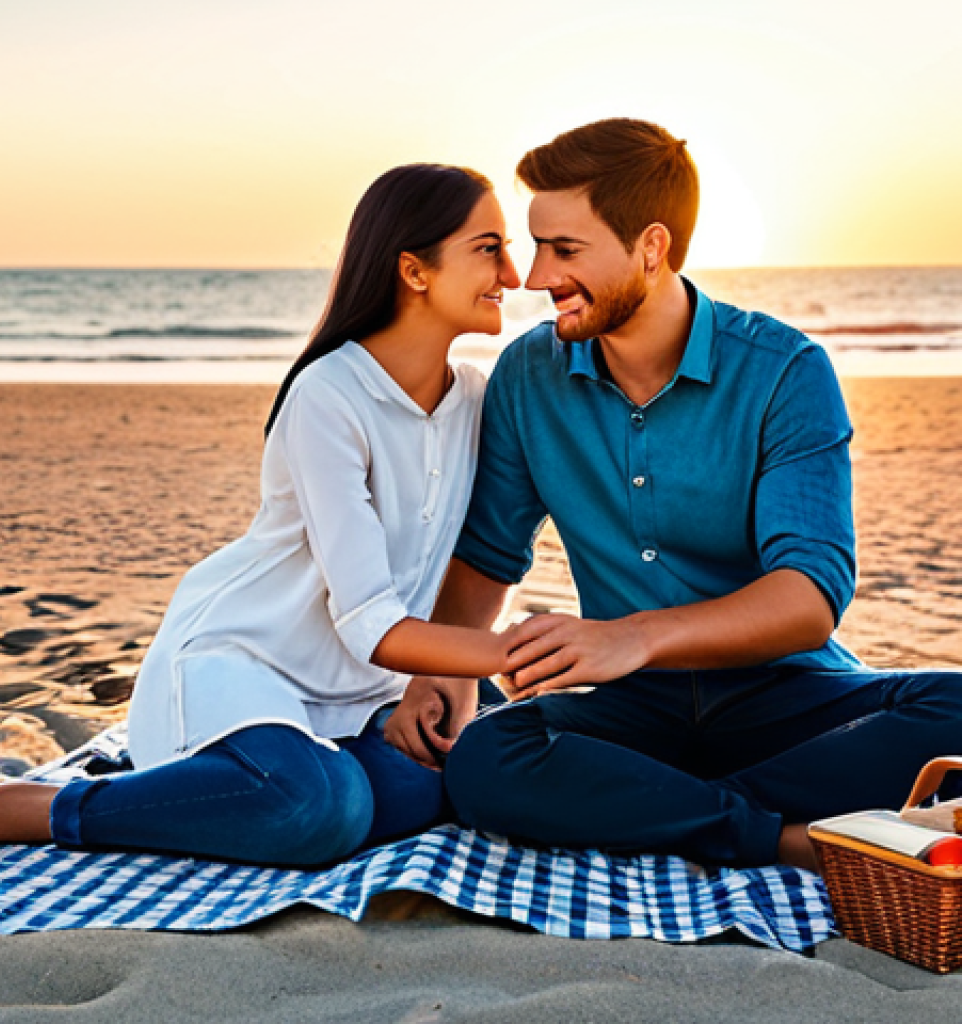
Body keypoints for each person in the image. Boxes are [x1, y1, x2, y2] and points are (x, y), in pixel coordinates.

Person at [384, 119, 962, 871]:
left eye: (564, 249)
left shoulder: (785, 370)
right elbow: (489, 556)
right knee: (491, 751)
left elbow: (809, 598)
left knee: (953, 707)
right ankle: (785, 834)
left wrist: (633, 636)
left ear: (650, 247)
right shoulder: (529, 376)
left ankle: (662, 806)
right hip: (633, 708)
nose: (533, 277)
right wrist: (441, 675)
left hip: (784, 696)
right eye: (534, 247)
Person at [0, 163, 522, 866]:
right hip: (248, 662)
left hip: (365, 692)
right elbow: (370, 619)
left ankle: (224, 794)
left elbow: (463, 565)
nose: (514, 275)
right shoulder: (329, 394)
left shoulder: (474, 398)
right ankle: (59, 808)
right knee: (319, 808)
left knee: (444, 781)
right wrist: (514, 649)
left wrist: (457, 673)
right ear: (415, 270)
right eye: (489, 248)